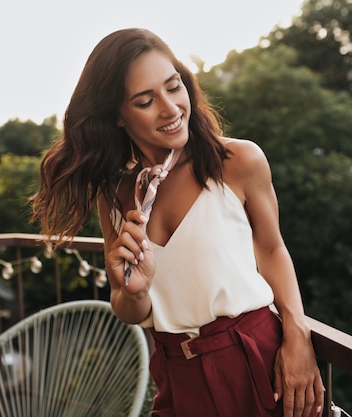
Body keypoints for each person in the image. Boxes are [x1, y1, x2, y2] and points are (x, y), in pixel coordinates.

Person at [31, 28, 324, 417]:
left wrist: (297, 335)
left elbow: (272, 249)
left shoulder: (237, 161)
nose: (170, 108)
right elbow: (129, 308)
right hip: (176, 376)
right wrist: (133, 292)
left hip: (256, 362)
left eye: (173, 87)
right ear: (118, 115)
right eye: (145, 100)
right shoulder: (115, 195)